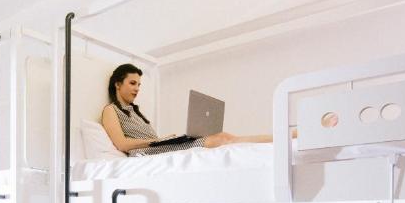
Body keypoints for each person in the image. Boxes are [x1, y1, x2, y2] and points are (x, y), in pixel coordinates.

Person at [101, 63, 275, 156]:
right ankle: (280, 138)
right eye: (132, 83)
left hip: (158, 147)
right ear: (117, 84)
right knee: (221, 139)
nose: (137, 88)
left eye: (139, 84)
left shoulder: (135, 112)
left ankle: (278, 138)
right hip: (145, 152)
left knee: (224, 136)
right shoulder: (111, 110)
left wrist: (164, 140)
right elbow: (122, 144)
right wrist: (158, 141)